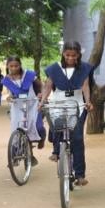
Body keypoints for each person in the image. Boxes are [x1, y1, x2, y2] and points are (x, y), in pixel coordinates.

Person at [39, 41, 93, 186]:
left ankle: (80, 174)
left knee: (77, 138)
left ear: (78, 55)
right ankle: (57, 151)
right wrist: (43, 100)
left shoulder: (84, 69)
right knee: (57, 127)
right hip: (58, 103)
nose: (70, 58)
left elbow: (86, 86)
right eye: (67, 55)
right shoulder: (54, 69)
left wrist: (88, 101)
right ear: (63, 53)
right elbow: (48, 86)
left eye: (73, 55)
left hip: (78, 105)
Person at [2, 56, 46, 166]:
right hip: (18, 106)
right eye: (11, 66)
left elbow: (39, 84)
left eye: (16, 66)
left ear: (20, 65)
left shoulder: (29, 75)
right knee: (18, 130)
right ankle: (17, 155)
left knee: (37, 126)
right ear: (7, 66)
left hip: (32, 104)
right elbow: (11, 93)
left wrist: (40, 93)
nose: (14, 68)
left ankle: (42, 138)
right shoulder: (7, 80)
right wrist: (9, 97)